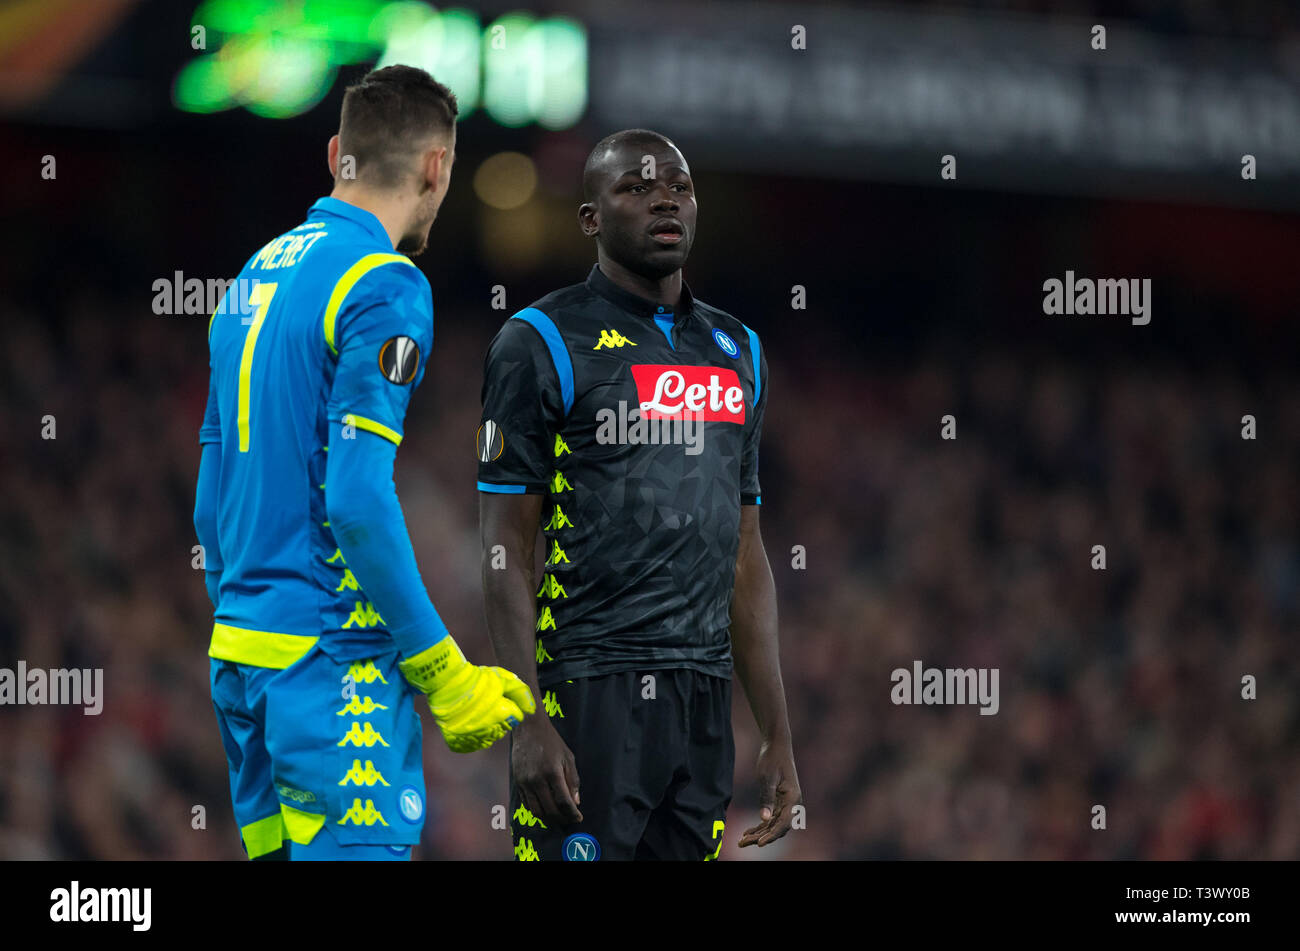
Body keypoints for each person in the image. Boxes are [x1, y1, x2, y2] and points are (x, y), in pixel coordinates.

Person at [194, 65, 532, 862]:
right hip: (331, 672)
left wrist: (250, 620)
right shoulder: (385, 284)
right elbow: (354, 497)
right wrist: (441, 668)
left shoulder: (251, 276)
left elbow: (214, 489)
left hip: (244, 657)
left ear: (337, 152)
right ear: (437, 167)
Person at [478, 129, 801, 861]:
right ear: (590, 217)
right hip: (587, 691)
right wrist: (526, 718)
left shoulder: (739, 350)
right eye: (637, 186)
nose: (665, 198)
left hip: (702, 702)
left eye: (680, 187)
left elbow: (745, 554)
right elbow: (504, 546)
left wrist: (778, 734)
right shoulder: (539, 340)